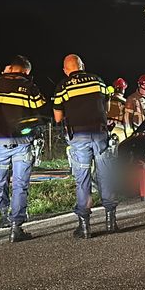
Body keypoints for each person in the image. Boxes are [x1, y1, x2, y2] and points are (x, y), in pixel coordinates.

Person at [0, 55, 46, 243]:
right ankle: (16, 228)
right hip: (23, 144)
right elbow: (41, 112)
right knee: (20, 186)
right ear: (24, 71)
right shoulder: (30, 88)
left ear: (10, 68)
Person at [53, 54, 119, 239]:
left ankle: (84, 227)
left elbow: (58, 118)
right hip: (100, 134)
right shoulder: (98, 80)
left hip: (78, 137)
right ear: (83, 66)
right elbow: (106, 108)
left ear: (66, 70)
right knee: (106, 175)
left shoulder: (62, 87)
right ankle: (110, 221)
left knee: (82, 179)